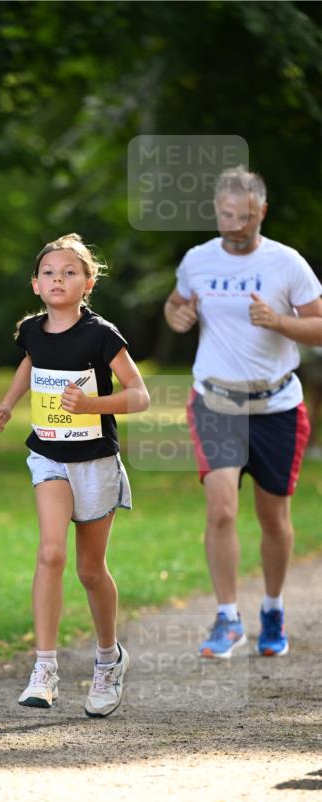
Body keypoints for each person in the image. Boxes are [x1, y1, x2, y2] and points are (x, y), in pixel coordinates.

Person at [0, 234, 149, 716]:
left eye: (69, 272)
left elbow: (139, 395)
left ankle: (107, 660)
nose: (59, 279)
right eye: (50, 273)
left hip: (96, 460)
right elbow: (30, 364)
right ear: (35, 285)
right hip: (49, 456)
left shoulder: (102, 335)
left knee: (90, 570)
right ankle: (44, 668)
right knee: (51, 552)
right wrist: (8, 403)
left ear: (88, 282)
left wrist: (93, 404)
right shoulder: (32, 331)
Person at [164, 166, 322, 659]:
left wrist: (279, 321)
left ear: (262, 213)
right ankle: (227, 618)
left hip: (276, 405)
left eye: (244, 217)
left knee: (272, 517)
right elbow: (175, 304)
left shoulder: (287, 263)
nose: (234, 226)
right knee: (221, 509)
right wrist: (178, 315)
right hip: (216, 401)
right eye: (225, 216)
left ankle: (272, 609)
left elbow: (319, 325)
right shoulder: (197, 260)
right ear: (216, 211)